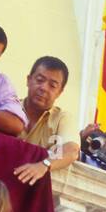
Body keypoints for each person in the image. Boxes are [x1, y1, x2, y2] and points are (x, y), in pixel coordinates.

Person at [13, 56, 79, 186]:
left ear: (60, 92)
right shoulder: (9, 107)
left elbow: (71, 150)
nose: (44, 88)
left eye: (52, 85)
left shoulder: (62, 118)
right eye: (40, 80)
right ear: (28, 80)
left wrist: (44, 165)